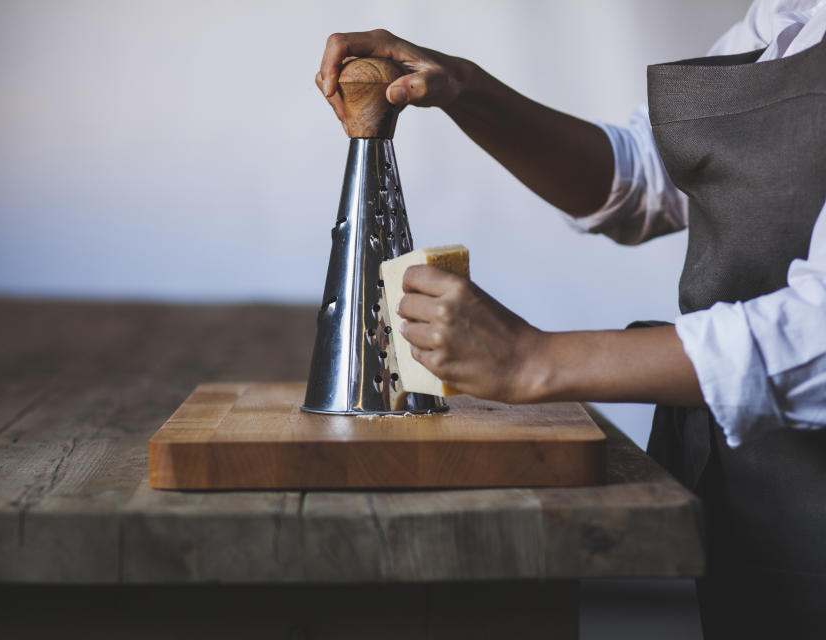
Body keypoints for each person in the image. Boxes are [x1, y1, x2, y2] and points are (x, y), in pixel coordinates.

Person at [316, 1, 826, 636]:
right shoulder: (791, 11)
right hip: (747, 493)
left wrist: (533, 359)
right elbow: (641, 179)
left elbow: (816, 335)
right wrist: (463, 89)